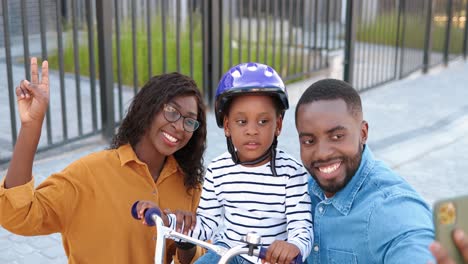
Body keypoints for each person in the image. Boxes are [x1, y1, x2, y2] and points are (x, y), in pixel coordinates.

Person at [0, 57, 207, 264]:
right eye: (172, 111)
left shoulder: (189, 186)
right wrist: (31, 126)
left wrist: (186, 244)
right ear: (149, 108)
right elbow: (19, 215)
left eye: (189, 121)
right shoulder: (88, 174)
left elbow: (199, 257)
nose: (180, 127)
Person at [136, 62, 313, 264]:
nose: (252, 130)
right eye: (242, 122)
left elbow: (302, 225)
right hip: (228, 256)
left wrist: (294, 246)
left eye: (263, 121)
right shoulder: (218, 169)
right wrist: (169, 221)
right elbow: (206, 224)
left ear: (278, 125)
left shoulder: (291, 172)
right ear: (227, 126)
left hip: (269, 260)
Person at [294, 78, 435, 263]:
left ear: (363, 133)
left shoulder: (390, 208)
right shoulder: (298, 192)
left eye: (337, 136)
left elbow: (416, 245)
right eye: (309, 141)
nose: (322, 154)